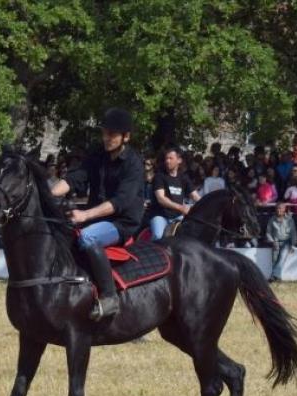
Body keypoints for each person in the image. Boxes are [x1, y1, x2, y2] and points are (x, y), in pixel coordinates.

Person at [50, 108, 145, 320]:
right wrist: (48, 195)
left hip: (121, 223)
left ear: (126, 137)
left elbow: (120, 202)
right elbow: (75, 178)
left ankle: (110, 297)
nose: (106, 138)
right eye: (104, 133)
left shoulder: (134, 164)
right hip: (96, 218)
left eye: (112, 134)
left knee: (87, 237)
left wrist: (85, 215)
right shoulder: (97, 155)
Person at [149, 147, 201, 240]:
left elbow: (195, 196)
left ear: (179, 160)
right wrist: (181, 208)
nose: (167, 161)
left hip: (178, 217)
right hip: (160, 216)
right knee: (158, 236)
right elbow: (161, 199)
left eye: (171, 158)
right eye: (166, 158)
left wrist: (205, 205)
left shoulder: (184, 178)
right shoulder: (159, 176)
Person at [266, 202, 297, 282]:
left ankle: (273, 276)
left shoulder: (289, 220)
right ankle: (278, 278)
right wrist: (272, 241)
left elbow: (293, 233)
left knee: (282, 257)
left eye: (280, 208)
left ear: (284, 209)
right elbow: (268, 233)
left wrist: (293, 245)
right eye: (277, 208)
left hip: (286, 242)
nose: (278, 210)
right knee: (275, 259)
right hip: (276, 242)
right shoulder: (272, 220)